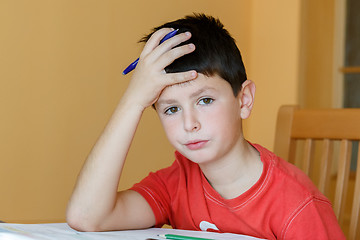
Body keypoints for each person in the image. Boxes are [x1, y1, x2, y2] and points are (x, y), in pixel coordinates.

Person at [66, 13, 345, 239]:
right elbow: (86, 216)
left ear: (244, 100)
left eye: (206, 100)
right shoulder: (176, 184)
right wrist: (133, 101)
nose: (190, 124)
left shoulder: (297, 205)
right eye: (172, 109)